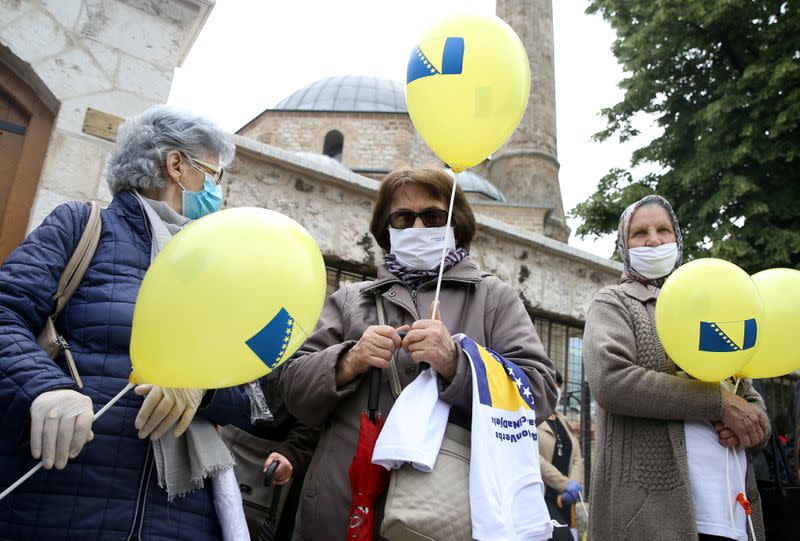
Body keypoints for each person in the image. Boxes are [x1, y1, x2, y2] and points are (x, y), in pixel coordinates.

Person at [0, 105, 254, 539]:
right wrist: (44, 388)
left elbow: (262, 388)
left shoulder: (220, 267)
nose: (217, 191)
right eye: (214, 175)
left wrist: (205, 387)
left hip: (179, 519)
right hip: (57, 503)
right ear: (177, 165)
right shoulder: (80, 225)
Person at [279, 167, 558, 540]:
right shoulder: (350, 300)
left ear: (455, 222)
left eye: (433, 215)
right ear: (387, 228)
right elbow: (292, 391)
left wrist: (456, 362)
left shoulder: (493, 298)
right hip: (342, 508)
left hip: (447, 512)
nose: (418, 227)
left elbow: (538, 391)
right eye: (403, 218)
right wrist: (349, 361)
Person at [583, 194, 770, 541]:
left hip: (731, 513)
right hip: (651, 516)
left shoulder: (709, 305)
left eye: (663, 230)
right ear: (624, 244)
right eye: (640, 233)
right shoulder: (614, 303)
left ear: (677, 238)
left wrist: (756, 425)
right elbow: (611, 380)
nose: (653, 240)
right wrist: (717, 403)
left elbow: (745, 390)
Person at [538, 371, 584, 541]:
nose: (556, 390)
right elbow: (535, 459)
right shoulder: (533, 418)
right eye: (553, 385)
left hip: (566, 501)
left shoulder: (563, 421)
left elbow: (577, 458)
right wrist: (564, 484)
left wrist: (575, 484)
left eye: (559, 386)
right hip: (545, 496)